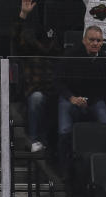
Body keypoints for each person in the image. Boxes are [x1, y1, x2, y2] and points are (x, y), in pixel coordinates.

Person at [55, 26, 106, 168]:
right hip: (70, 97)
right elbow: (57, 81)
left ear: (102, 43)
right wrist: (72, 98)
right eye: (91, 40)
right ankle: (64, 168)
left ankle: (103, 166)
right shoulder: (71, 56)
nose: (95, 43)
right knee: (64, 130)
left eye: (98, 40)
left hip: (94, 100)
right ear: (84, 40)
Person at [12, 0, 63, 154]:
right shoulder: (28, 48)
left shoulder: (55, 46)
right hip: (35, 89)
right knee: (37, 98)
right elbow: (14, 39)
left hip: (54, 89)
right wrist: (23, 15)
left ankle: (53, 146)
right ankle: (34, 139)